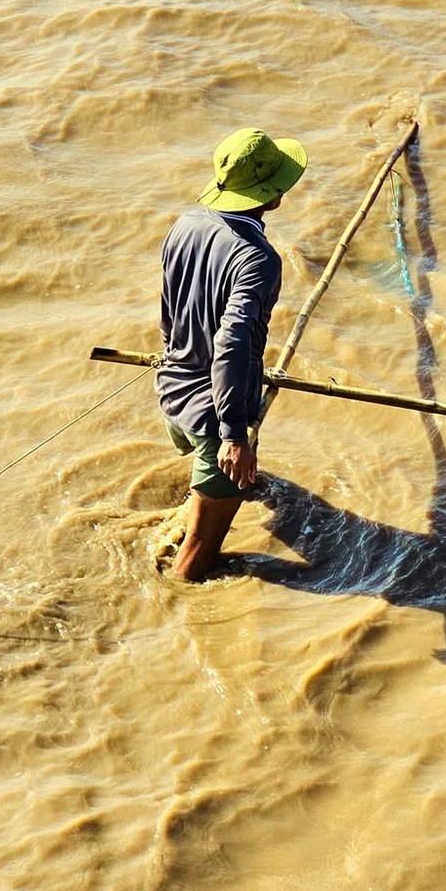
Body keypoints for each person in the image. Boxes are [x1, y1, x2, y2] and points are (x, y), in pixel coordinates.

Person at [157, 127, 307, 581]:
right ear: (273, 194)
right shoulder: (258, 258)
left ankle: (207, 492)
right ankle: (178, 621)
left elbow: (169, 306)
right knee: (197, 558)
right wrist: (234, 436)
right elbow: (233, 342)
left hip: (172, 390)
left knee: (218, 493)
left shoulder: (185, 223)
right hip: (214, 415)